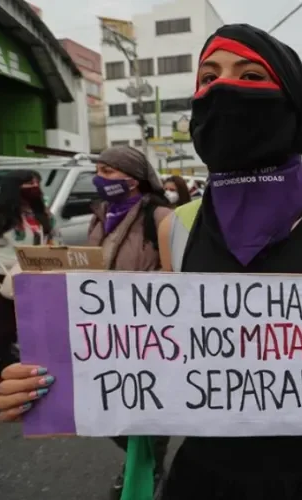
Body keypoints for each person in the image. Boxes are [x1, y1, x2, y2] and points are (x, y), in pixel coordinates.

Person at [0, 24, 302, 500]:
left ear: (293, 99)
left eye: (250, 75)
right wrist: (48, 382)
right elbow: (158, 353)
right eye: (208, 76)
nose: (223, 87)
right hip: (213, 476)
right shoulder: (175, 227)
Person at [84, 145, 174, 499]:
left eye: (108, 171)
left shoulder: (161, 216)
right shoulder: (101, 212)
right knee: (107, 404)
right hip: (103, 326)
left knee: (148, 402)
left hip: (148, 327)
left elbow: (175, 274)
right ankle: (145, 458)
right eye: (99, 170)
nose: (99, 178)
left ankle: (150, 465)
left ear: (133, 180)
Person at [0, 170, 59, 368]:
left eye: (37, 182)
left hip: (35, 272)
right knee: (5, 326)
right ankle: (4, 369)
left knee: (33, 324)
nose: (35, 186)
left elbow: (56, 240)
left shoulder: (44, 213)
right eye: (29, 182)